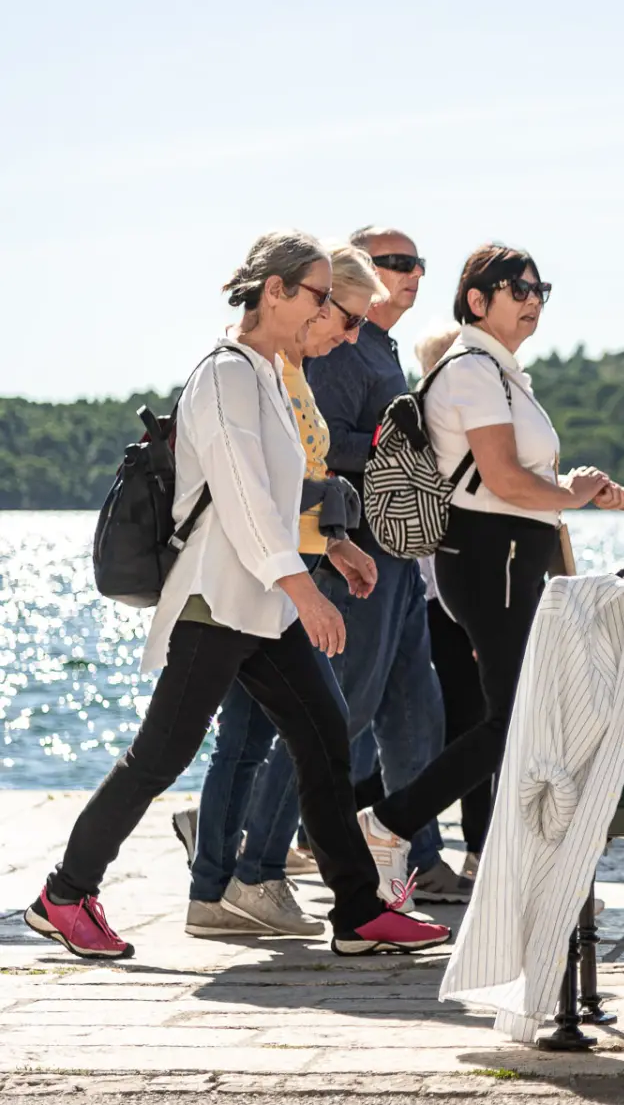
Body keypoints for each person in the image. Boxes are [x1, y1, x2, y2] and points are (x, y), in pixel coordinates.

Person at [27, 231, 447, 959]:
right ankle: (64, 896)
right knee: (160, 755)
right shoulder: (225, 375)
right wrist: (306, 593)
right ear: (275, 292)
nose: (330, 316)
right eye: (321, 297)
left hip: (261, 601)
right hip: (219, 600)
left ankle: (356, 912)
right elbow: (243, 498)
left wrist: (335, 546)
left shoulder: (268, 375)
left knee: (323, 735)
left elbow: (279, 494)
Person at [356, 244, 624, 895]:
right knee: (513, 718)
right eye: (518, 289)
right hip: (491, 557)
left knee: (520, 715)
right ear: (477, 301)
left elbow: (509, 477)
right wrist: (569, 495)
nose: (533, 300)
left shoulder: (497, 371)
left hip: (503, 556)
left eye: (540, 290)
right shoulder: (474, 371)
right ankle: (391, 823)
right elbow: (505, 479)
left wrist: (575, 488)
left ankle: (489, 848)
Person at [234, 226, 464, 909]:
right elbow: (320, 448)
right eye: (395, 262)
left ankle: (419, 857)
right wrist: (406, 442)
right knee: (341, 714)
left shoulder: (376, 344)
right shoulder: (339, 352)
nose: (410, 273)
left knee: (415, 713)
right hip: (354, 553)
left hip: (394, 557)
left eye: (417, 263)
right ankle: (254, 858)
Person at [179, 245, 388, 937]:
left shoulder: (286, 374)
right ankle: (245, 881)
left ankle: (222, 887)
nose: (347, 333)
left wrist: (335, 543)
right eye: (341, 314)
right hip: (268, 577)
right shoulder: (263, 373)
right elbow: (262, 489)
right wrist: (312, 570)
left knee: (254, 738)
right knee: (247, 739)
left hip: (291, 571)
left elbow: (295, 484)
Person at [413, 324, 492, 881]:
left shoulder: (421, 428)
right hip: (455, 600)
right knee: (475, 725)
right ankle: (480, 849)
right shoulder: (461, 435)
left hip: (429, 598)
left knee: (443, 727)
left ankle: (473, 847)